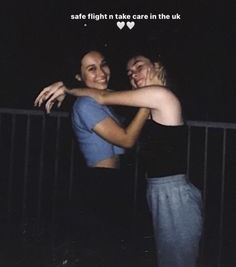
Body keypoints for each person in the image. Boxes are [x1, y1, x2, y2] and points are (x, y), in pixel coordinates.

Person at [36, 51, 203, 267]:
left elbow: (105, 97)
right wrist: (73, 92)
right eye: (129, 72)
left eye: (139, 67)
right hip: (160, 191)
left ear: (157, 66)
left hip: (172, 192)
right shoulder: (153, 99)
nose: (133, 75)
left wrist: (67, 89)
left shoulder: (160, 95)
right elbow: (110, 95)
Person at [34, 49, 149, 265]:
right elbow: (126, 140)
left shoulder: (98, 101)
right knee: (102, 252)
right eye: (91, 69)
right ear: (79, 76)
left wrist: (68, 89)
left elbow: (117, 96)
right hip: (99, 183)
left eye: (103, 64)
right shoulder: (86, 104)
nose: (102, 72)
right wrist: (148, 102)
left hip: (110, 181)